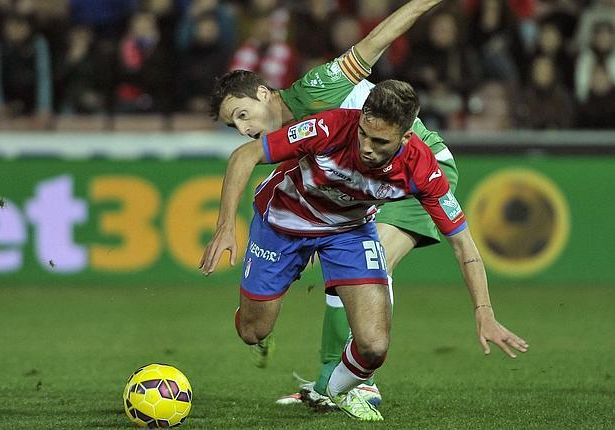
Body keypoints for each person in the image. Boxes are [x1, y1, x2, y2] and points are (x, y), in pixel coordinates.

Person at [200, 80, 529, 421]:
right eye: (364, 134)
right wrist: (225, 226)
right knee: (253, 330)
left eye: (380, 141)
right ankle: (255, 326)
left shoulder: (423, 169)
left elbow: (464, 245)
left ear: (405, 138)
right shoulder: (330, 126)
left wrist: (484, 310)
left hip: (348, 233)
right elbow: (244, 155)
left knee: (373, 346)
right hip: (283, 223)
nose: (367, 148)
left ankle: (336, 390)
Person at [209, 0, 450, 409]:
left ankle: (355, 383)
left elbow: (378, 40)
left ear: (265, 93)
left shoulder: (317, 89)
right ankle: (331, 376)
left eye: (244, 114)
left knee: (372, 270)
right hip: (369, 185)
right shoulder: (289, 141)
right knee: (264, 323)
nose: (244, 128)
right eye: (235, 124)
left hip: (418, 171)